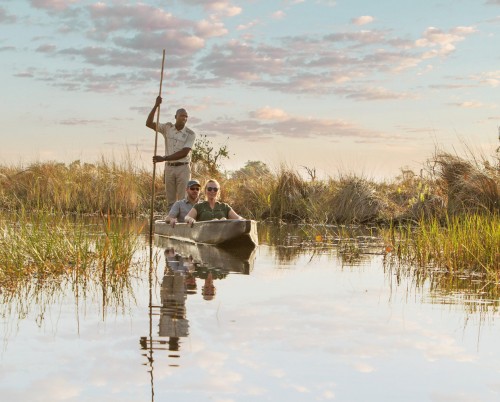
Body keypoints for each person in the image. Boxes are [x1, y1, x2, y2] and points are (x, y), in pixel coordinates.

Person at [146, 95, 196, 210]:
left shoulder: (190, 133)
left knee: (184, 199)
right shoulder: (167, 128)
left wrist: (163, 158)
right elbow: (149, 123)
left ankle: (183, 224)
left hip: (183, 168)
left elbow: (184, 153)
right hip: (169, 168)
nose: (184, 118)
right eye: (182, 116)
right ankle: (171, 222)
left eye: (186, 117)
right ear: (176, 117)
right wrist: (156, 106)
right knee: (170, 201)